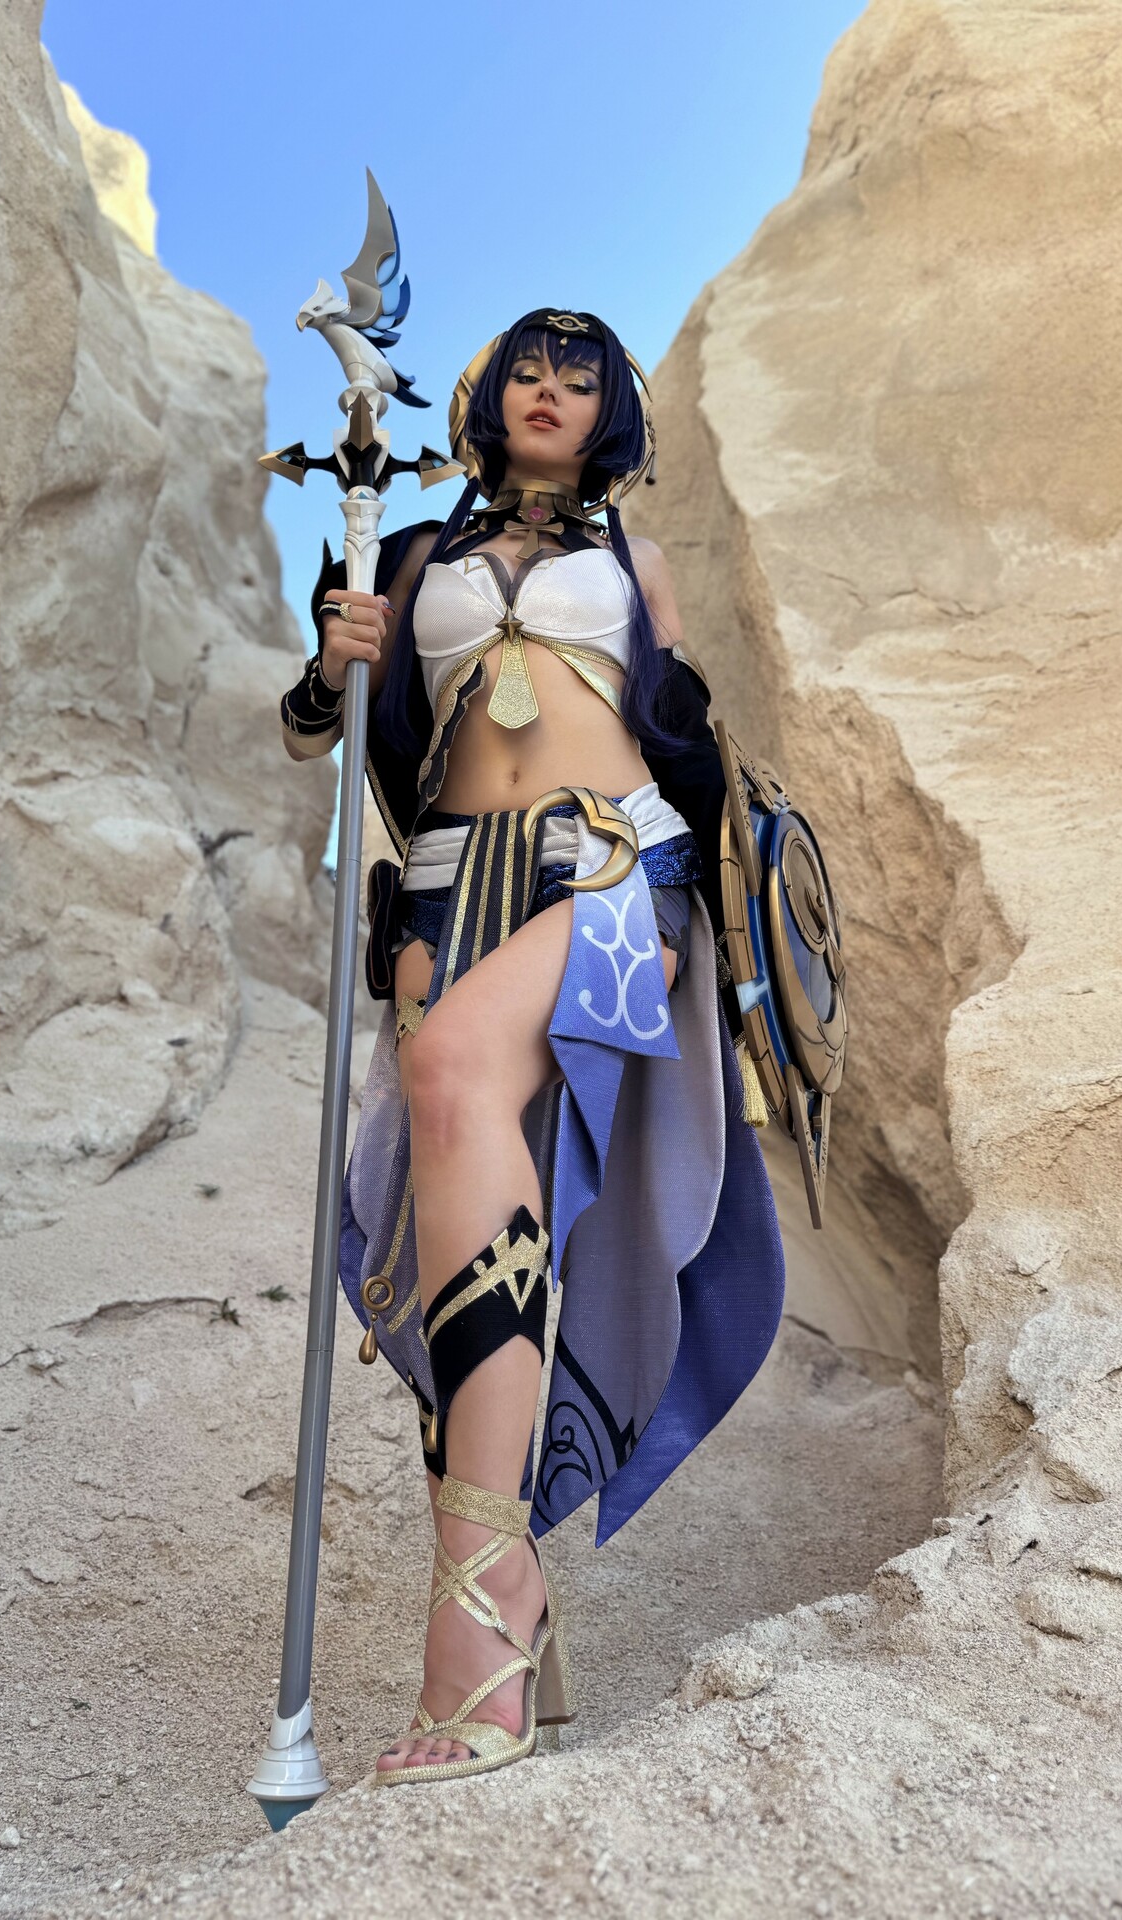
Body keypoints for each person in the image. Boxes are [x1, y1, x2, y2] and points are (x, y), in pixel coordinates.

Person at [279, 309, 785, 1786]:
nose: (548, 390)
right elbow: (324, 731)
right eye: (526, 370)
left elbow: (682, 734)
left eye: (577, 376)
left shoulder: (636, 561)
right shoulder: (405, 558)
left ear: (606, 408)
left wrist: (722, 925)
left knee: (449, 1078)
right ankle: (514, 1623)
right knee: (451, 1232)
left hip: (615, 871)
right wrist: (331, 662)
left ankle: (477, 1633)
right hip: (448, 893)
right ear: (487, 396)